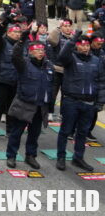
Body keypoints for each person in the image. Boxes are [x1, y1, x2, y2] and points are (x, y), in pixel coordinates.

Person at [55, 33, 105, 171]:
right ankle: (61, 157)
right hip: (71, 101)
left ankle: (78, 158)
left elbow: (101, 82)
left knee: (82, 132)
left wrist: (100, 102)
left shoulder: (96, 61)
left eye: (87, 45)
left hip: (89, 103)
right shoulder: (70, 58)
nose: (85, 47)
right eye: (82, 45)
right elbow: (61, 55)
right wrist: (73, 39)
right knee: (65, 131)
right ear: (77, 46)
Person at [6, 35, 53, 169]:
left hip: (40, 106)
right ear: (31, 51)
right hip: (24, 104)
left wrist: (50, 107)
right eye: (37, 50)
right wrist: (21, 40)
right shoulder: (24, 64)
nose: (40, 52)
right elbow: (15, 56)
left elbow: (51, 87)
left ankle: (30, 156)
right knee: (16, 132)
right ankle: (11, 156)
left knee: (34, 134)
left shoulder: (48, 66)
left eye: (42, 50)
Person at [0, 17, 21, 140]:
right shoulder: (1, 43)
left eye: (19, 32)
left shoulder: (21, 45)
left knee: (12, 108)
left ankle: (9, 130)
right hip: (2, 79)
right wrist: (5, 22)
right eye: (15, 32)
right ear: (8, 32)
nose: (17, 35)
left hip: (16, 80)